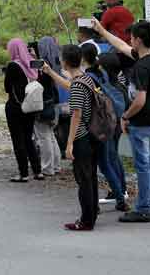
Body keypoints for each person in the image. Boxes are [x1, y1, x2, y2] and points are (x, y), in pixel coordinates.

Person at [93, 18, 150, 223]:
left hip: (141, 122)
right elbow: (120, 46)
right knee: (148, 164)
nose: (129, 41)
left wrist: (125, 116)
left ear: (138, 40)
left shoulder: (141, 67)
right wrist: (102, 31)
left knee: (143, 166)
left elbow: (139, 100)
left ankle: (143, 209)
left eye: (132, 38)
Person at [44, 45, 99, 231]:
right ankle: (92, 213)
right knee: (90, 176)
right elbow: (70, 85)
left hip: (81, 136)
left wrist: (69, 144)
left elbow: (76, 114)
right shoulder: (85, 79)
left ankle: (86, 221)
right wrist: (50, 72)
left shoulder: (77, 84)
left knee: (83, 179)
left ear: (65, 62)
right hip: (92, 135)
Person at [88, 49, 130, 212]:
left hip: (107, 126)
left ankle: (118, 192)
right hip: (116, 124)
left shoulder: (103, 84)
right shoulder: (118, 84)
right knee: (111, 159)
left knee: (107, 161)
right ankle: (120, 192)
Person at [5, 38, 44, 182]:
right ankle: (37, 170)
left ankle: (23, 173)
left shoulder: (12, 66)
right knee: (29, 138)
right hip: (31, 106)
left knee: (18, 140)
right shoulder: (32, 64)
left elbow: (7, 88)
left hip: (16, 107)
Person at [34, 36, 62, 176]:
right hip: (54, 102)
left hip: (44, 105)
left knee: (44, 136)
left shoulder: (44, 66)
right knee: (51, 135)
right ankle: (56, 165)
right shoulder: (56, 62)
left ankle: (47, 167)